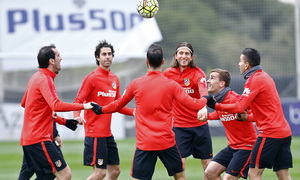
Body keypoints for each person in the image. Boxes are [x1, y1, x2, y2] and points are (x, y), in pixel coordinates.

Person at [90, 43, 208, 180]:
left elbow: (117, 105)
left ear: (147, 62)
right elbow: (195, 104)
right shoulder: (172, 85)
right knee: (180, 177)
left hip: (145, 143)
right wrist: (205, 99)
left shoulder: (135, 84)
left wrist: (100, 109)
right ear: (163, 62)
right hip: (166, 142)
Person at [204, 48, 293, 180]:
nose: (239, 64)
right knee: (283, 175)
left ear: (247, 65)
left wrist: (215, 105)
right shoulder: (265, 76)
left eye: (240, 61)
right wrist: (248, 117)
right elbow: (263, 112)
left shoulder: (253, 80)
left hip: (269, 134)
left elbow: (240, 107)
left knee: (254, 174)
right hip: (284, 132)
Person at [20, 44, 93, 180]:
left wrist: (48, 113)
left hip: (30, 139)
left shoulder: (36, 77)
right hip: (39, 139)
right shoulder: (45, 79)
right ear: (51, 61)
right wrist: (83, 106)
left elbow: (25, 103)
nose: (61, 58)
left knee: (46, 176)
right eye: (58, 55)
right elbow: (56, 105)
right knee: (65, 175)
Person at [73, 40, 134, 180]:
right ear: (97, 57)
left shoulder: (114, 79)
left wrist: (134, 112)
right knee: (100, 173)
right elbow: (78, 101)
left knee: (115, 171)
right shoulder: (91, 78)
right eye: (104, 54)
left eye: (110, 54)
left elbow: (118, 105)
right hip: (94, 134)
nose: (107, 57)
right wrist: (77, 115)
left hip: (107, 134)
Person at [163, 42, 212, 179]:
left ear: (191, 57)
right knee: (179, 165)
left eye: (187, 54)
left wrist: (203, 106)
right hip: (179, 126)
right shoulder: (167, 73)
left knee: (208, 165)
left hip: (200, 126)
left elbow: (204, 92)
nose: (184, 56)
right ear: (176, 56)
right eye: (181, 53)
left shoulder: (198, 73)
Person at [198, 68, 257, 180]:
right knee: (209, 172)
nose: (208, 81)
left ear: (222, 83)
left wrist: (246, 117)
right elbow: (220, 113)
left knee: (228, 178)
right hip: (232, 147)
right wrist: (206, 116)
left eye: (212, 78)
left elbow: (257, 115)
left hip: (247, 147)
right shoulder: (219, 101)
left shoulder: (236, 99)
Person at [18, 113, 80, 180]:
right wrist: (83, 106)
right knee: (58, 174)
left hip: (34, 140)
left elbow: (50, 112)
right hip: (41, 140)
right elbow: (55, 106)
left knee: (36, 172)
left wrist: (55, 133)